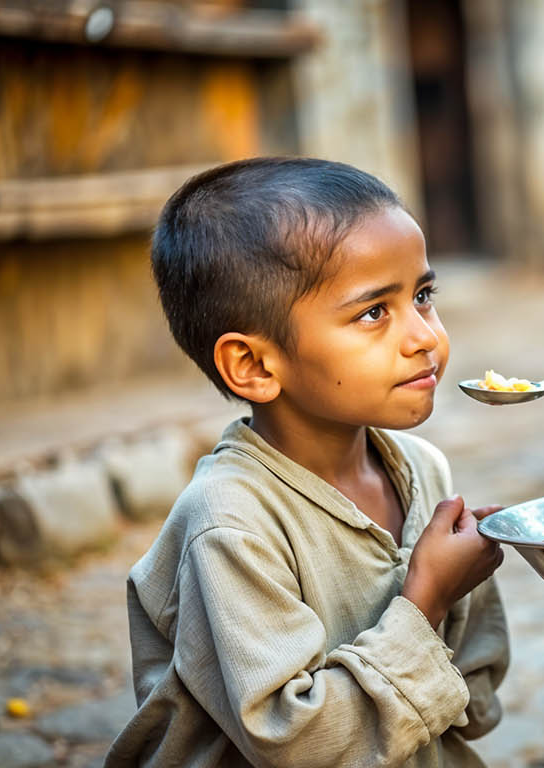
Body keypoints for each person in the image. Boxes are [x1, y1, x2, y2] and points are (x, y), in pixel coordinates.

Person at [105, 158, 508, 767]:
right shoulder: (231, 524)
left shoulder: (421, 469)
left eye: (423, 296)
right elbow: (293, 745)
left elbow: (469, 700)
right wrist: (425, 601)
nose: (425, 336)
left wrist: (466, 582)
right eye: (374, 312)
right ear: (256, 366)